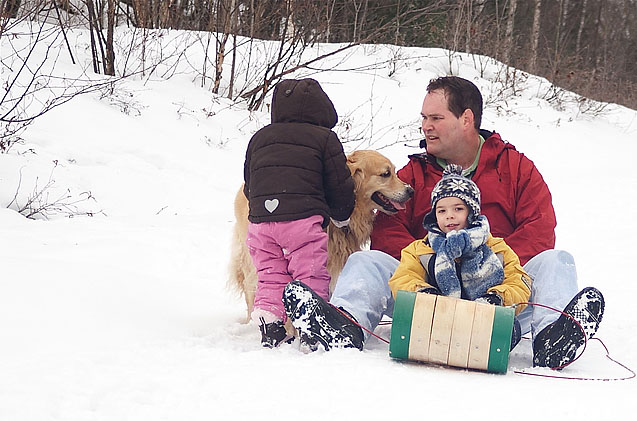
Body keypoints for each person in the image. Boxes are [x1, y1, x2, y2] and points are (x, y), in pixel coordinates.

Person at [283, 76, 604, 369]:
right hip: (427, 296)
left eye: (436, 118)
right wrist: (431, 269)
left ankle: (553, 339)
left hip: (502, 295)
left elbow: (539, 229)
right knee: (366, 260)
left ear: (466, 119)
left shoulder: (515, 167)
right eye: (424, 118)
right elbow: (387, 233)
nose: (426, 126)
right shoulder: (413, 175)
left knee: (556, 260)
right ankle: (342, 325)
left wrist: (489, 271)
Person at [244, 78, 354, 348]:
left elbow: (249, 180)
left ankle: (271, 324)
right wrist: (341, 215)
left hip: (260, 222)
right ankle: (314, 328)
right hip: (301, 220)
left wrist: (263, 207)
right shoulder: (325, 138)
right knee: (310, 270)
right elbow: (338, 183)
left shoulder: (260, 137)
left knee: (270, 272)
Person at [388, 165, 530, 349]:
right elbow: (403, 278)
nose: (450, 216)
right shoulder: (421, 249)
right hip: (435, 318)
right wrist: (424, 294)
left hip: (483, 318)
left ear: (471, 212)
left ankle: (545, 334)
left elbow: (518, 281)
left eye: (458, 209)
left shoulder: (496, 248)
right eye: (442, 211)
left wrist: (497, 297)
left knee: (512, 324)